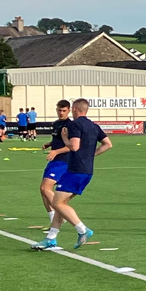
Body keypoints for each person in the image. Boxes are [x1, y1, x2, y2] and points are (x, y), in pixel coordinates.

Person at [35, 98, 112, 250]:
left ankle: (83, 230)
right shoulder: (94, 126)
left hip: (75, 170)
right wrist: (91, 155)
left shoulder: (75, 124)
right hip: (87, 171)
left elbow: (74, 146)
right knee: (60, 203)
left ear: (75, 109)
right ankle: (51, 238)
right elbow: (108, 144)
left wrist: (65, 138)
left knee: (57, 203)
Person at [34, 99, 75, 241]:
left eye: (64, 110)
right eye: (59, 110)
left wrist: (55, 151)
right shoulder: (57, 124)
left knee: (45, 188)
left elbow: (71, 146)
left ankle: (60, 213)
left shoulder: (70, 125)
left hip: (63, 161)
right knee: (43, 190)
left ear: (69, 110)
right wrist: (49, 144)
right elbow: (58, 139)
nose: (61, 112)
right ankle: (54, 219)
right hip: (55, 161)